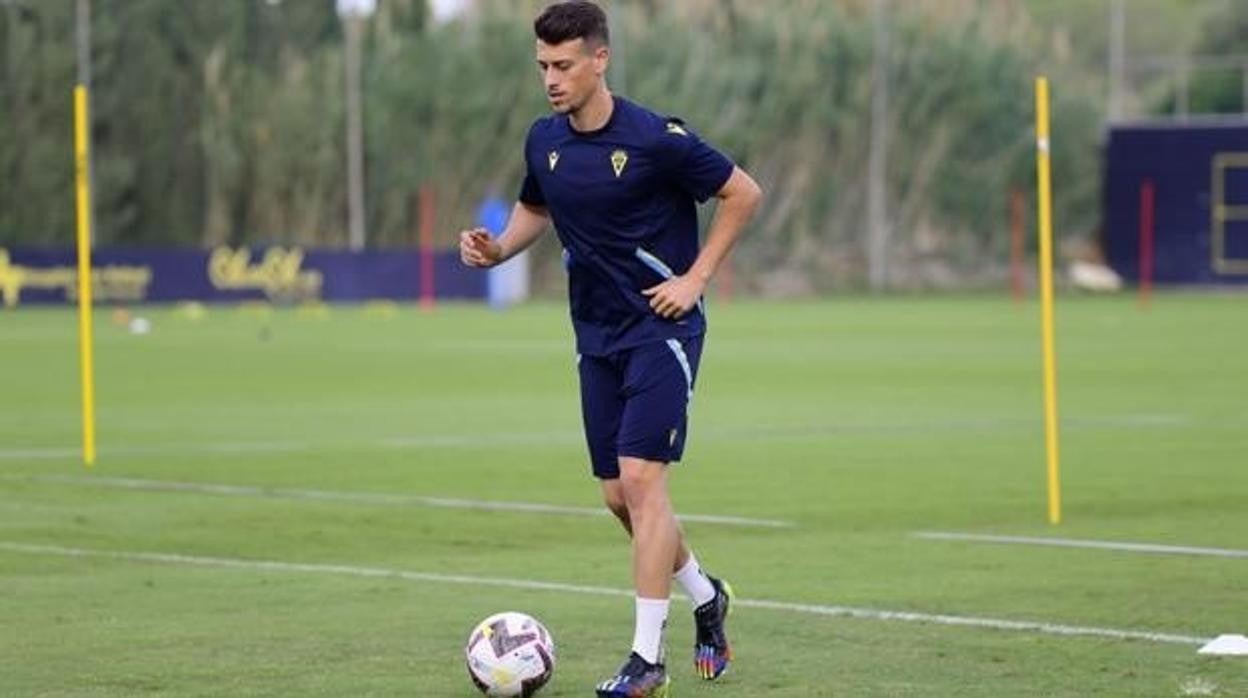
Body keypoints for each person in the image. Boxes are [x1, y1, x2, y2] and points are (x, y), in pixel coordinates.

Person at [458, 2, 762, 695]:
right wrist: (497, 248)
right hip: (595, 336)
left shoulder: (658, 139)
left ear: (601, 60)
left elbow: (742, 192)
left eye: (563, 65)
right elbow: (538, 205)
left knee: (643, 483)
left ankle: (646, 660)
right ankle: (706, 596)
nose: (551, 80)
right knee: (617, 497)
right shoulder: (545, 141)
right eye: (542, 66)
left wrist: (696, 279)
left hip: (663, 328)